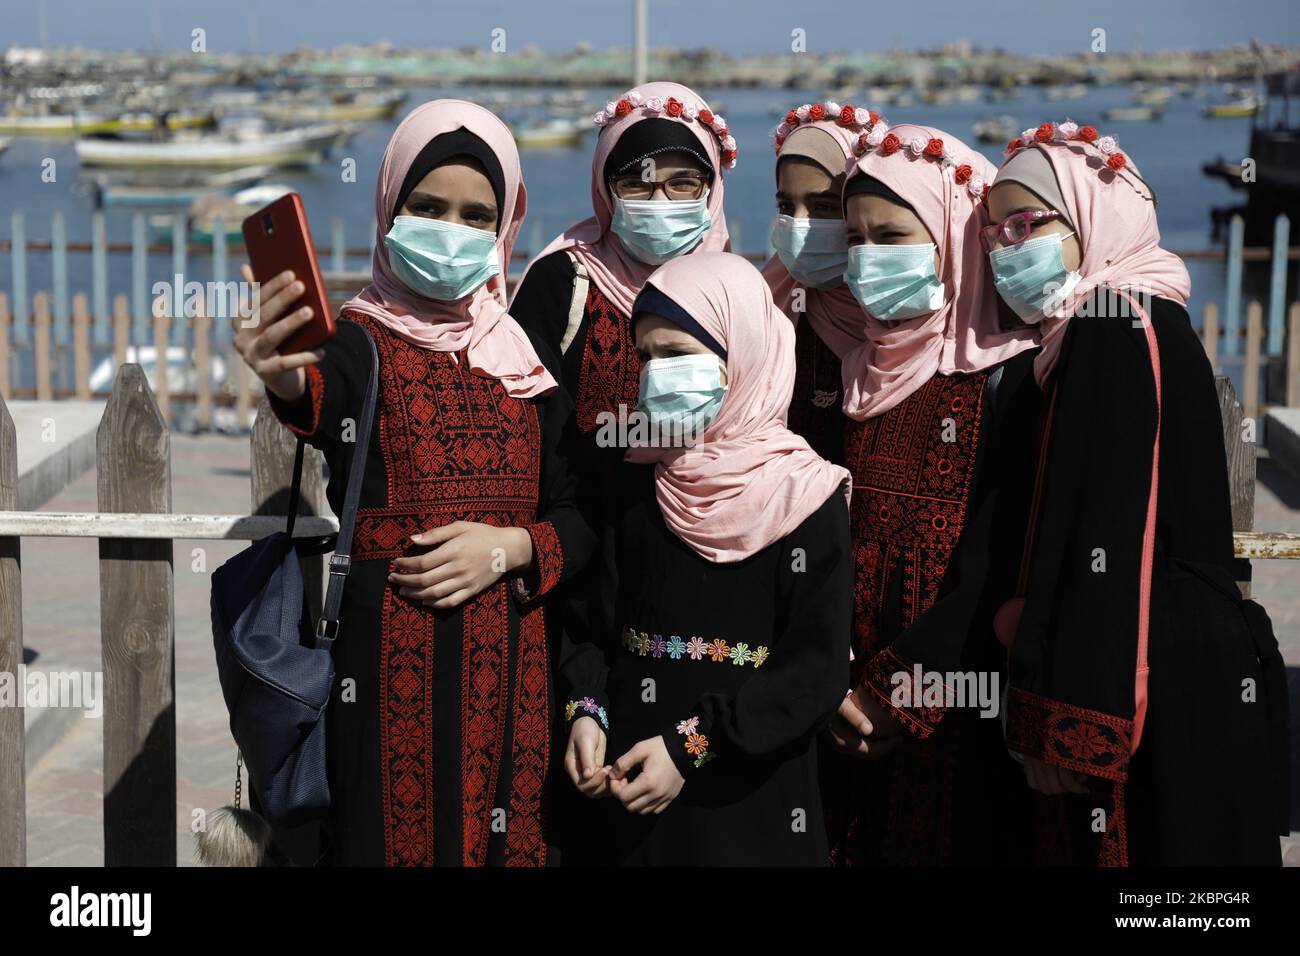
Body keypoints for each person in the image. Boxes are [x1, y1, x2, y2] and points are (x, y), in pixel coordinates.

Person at [235, 99, 594, 866]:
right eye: (426, 208)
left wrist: (512, 548)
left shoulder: (526, 363)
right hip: (387, 692)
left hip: (515, 697)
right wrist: (282, 377)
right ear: (388, 207)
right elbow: (312, 392)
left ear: (504, 229)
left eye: (476, 215)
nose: (450, 231)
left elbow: (578, 512)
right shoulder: (357, 344)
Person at [987, 121, 1288, 865]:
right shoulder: (1143, 316)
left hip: (1146, 679)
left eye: (1027, 224)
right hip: (1182, 671)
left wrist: (1067, 724)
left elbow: (1109, 534)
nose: (1006, 247)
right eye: (993, 232)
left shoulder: (1110, 325)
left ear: (1094, 217)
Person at [559, 252, 853, 865]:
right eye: (646, 357)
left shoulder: (805, 495)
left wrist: (690, 746)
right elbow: (591, 623)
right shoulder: (637, 480)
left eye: (679, 354)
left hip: (748, 800)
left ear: (741, 354)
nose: (656, 374)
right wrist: (587, 714)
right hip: (631, 797)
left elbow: (815, 669)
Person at [817, 122, 1043, 865]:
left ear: (952, 235)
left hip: (958, 711)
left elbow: (998, 560)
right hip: (842, 706)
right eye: (854, 239)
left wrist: (898, 690)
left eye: (891, 236)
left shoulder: (1010, 377)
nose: (866, 259)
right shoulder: (852, 370)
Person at [509, 81, 733, 503]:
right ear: (605, 188)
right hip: (581, 537)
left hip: (702, 535)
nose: (660, 200)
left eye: (683, 183)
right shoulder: (563, 279)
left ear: (712, 187)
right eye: (635, 183)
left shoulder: (732, 291)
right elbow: (524, 430)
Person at [762, 100, 881, 463]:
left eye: (825, 207)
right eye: (786, 207)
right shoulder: (769, 309)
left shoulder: (901, 316)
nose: (799, 225)